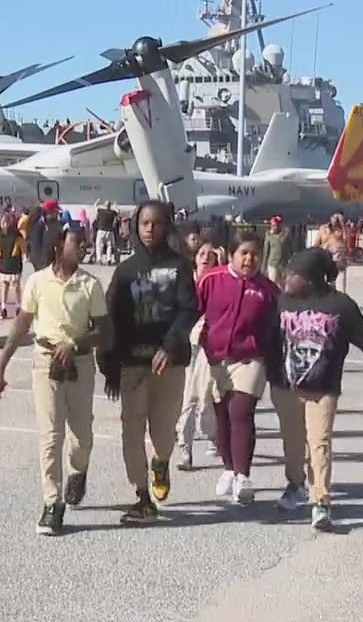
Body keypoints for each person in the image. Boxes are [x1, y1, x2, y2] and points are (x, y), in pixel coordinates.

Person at [272, 248, 363, 529]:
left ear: (309, 279)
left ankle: (320, 501)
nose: (287, 278)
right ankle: (295, 484)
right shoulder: (282, 302)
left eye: (293, 274)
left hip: (323, 387)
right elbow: (267, 338)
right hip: (286, 385)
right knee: (293, 443)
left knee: (319, 442)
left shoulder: (340, 305)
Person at [0, 225, 106, 536]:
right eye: (76, 242)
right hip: (45, 363)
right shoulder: (37, 282)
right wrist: (2, 365)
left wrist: (76, 344)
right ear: (59, 244)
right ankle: (52, 504)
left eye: (85, 243)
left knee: (81, 436)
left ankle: (78, 471)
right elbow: (22, 323)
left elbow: (103, 331)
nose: (82, 248)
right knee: (51, 436)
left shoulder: (90, 285)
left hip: (79, 363)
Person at [100, 201, 198, 523]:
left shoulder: (180, 266)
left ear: (166, 226)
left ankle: (161, 462)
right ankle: (142, 496)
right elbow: (111, 320)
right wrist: (110, 366)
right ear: (135, 226)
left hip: (170, 364)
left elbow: (188, 310)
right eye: (144, 223)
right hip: (133, 364)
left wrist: (170, 346)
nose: (149, 229)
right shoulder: (125, 271)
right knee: (131, 428)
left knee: (164, 431)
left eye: (155, 223)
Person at [197, 235, 280, 505]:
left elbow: (275, 326)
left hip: (250, 359)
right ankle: (229, 469)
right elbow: (193, 312)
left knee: (241, 412)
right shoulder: (211, 279)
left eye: (254, 254)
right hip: (216, 359)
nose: (249, 259)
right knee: (221, 415)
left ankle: (243, 476)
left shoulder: (268, 289)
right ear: (231, 253)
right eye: (243, 253)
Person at [177, 241, 226, 470]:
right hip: (188, 344)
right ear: (195, 258)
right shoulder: (186, 282)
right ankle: (185, 449)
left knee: (207, 396)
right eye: (202, 253)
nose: (206, 257)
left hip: (210, 345)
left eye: (211, 254)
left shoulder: (220, 282)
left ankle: (212, 436)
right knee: (188, 397)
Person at [0, 210, 26, 319]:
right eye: (3, 222)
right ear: (0, 223)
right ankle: (3, 307)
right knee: (5, 285)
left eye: (7, 222)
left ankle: (18, 307)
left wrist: (24, 255)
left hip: (15, 262)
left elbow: (23, 247)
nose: (5, 224)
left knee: (16, 286)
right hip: (4, 263)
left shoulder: (17, 235)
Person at [24, 200, 64, 274]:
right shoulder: (49, 224)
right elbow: (51, 242)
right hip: (44, 260)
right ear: (49, 212)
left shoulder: (34, 221)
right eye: (56, 211)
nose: (57, 214)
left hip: (36, 258)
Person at [316, 213, 352, 293]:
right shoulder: (324, 229)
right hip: (326, 257)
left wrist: (342, 225)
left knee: (340, 284)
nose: (335, 220)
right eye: (334, 217)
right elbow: (317, 243)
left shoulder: (341, 230)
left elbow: (346, 241)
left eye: (338, 218)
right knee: (328, 282)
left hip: (339, 259)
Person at [262, 215, 291, 286]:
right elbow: (266, 251)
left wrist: (291, 259)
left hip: (284, 263)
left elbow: (290, 247)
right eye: (273, 225)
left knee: (283, 283)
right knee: (273, 282)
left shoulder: (286, 234)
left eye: (276, 225)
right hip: (272, 263)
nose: (274, 227)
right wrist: (264, 266)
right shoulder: (268, 235)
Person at [93, 200, 117, 265]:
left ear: (104, 205)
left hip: (101, 230)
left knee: (99, 245)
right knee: (109, 246)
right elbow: (118, 212)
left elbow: (95, 206)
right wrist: (115, 205)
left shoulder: (101, 211)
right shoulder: (112, 213)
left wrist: (97, 202)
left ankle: (99, 259)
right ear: (110, 206)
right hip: (109, 231)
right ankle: (109, 259)